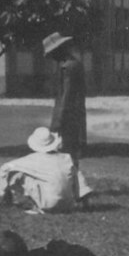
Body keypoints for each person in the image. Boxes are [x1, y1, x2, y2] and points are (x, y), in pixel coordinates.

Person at [0, 127, 91, 214]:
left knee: (23, 176)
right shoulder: (66, 158)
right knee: (74, 172)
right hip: (68, 205)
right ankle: (84, 203)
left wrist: (0, 190)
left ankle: (29, 204)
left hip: (47, 204)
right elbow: (80, 180)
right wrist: (82, 199)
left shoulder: (33, 159)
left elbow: (5, 168)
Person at [43, 30, 91, 201]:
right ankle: (75, 189)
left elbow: (67, 96)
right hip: (73, 115)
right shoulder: (73, 64)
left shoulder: (68, 67)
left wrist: (58, 121)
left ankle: (78, 190)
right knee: (69, 155)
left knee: (67, 155)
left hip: (68, 117)